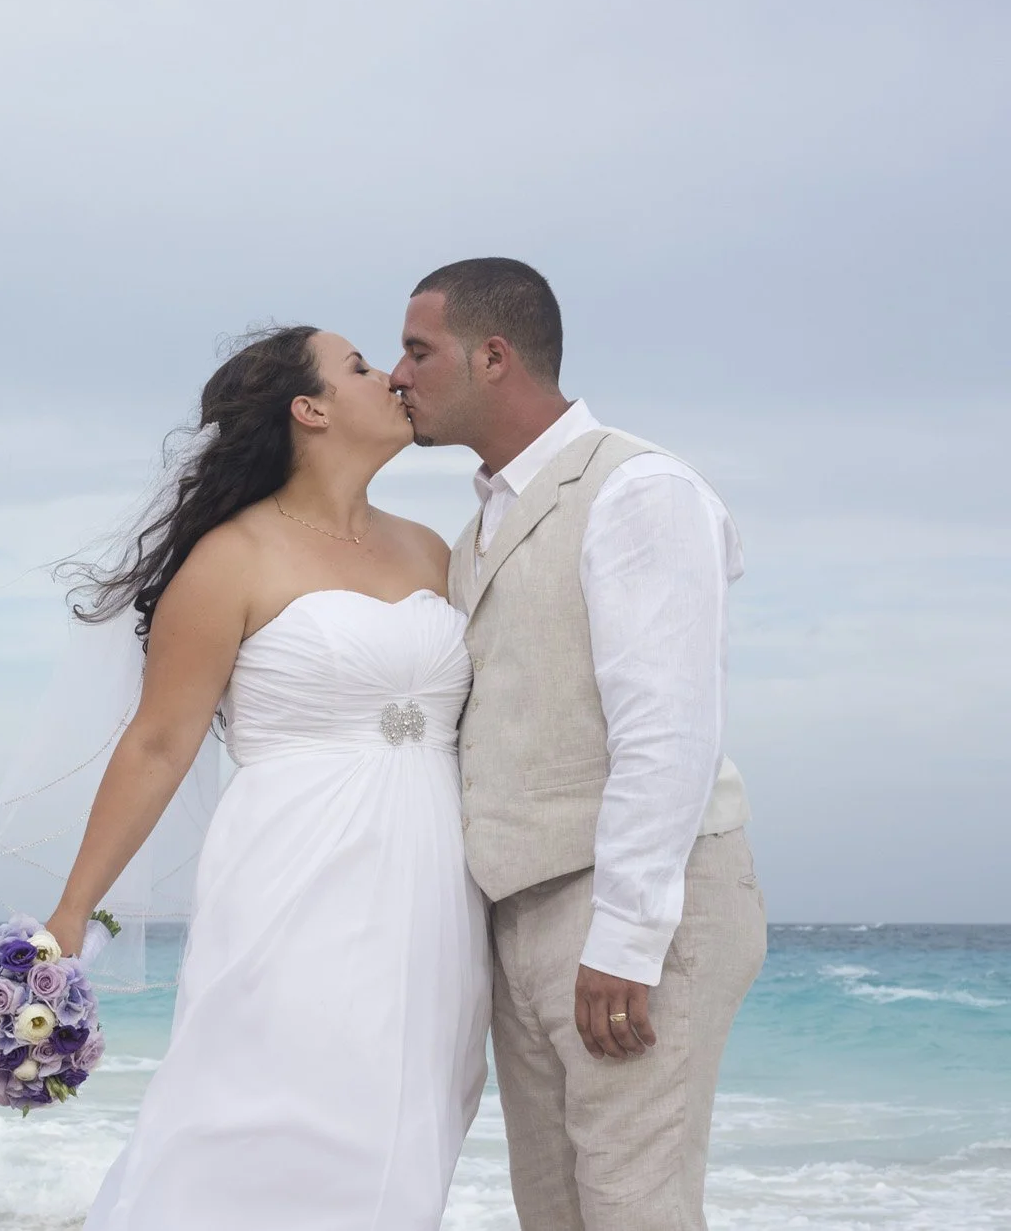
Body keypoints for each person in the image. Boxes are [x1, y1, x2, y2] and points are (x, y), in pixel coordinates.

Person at [43, 324, 491, 1229]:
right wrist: (71, 911)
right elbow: (159, 745)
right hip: (295, 876)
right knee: (265, 1115)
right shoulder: (231, 559)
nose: (394, 380)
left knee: (404, 1127)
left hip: (438, 890)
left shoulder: (433, 552)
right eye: (362, 367)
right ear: (310, 408)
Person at [390, 257, 767, 1230]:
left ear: (493, 355)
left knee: (632, 1206)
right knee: (552, 1209)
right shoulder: (478, 528)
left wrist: (628, 935)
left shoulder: (635, 487)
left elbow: (666, 724)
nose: (398, 374)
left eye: (417, 349)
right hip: (525, 913)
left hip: (627, 902)